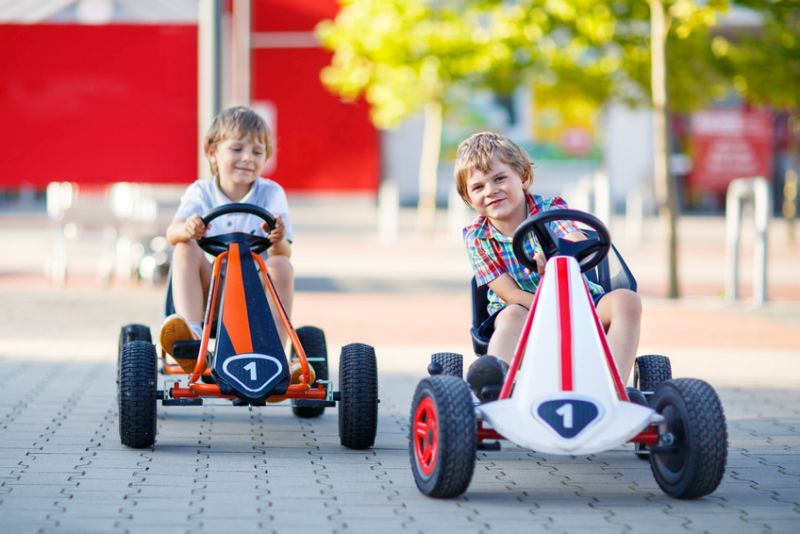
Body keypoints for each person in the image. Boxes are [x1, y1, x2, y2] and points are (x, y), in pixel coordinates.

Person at [454, 131, 641, 397]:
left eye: (499, 179)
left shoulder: (550, 209)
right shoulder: (477, 237)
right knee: (510, 314)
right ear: (468, 197)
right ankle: (495, 384)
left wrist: (563, 254)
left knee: (626, 301)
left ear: (524, 178)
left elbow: (572, 234)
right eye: (478, 187)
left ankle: (611, 392)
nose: (491, 191)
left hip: (580, 308)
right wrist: (549, 309)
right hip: (525, 317)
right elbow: (509, 294)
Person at [159, 106, 302, 378]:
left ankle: (275, 357)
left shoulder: (271, 194)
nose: (247, 158)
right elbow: (172, 232)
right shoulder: (201, 192)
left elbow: (285, 251)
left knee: (282, 265)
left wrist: (277, 239)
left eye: (257, 152)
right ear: (213, 153)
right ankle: (192, 337)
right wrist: (188, 228)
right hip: (210, 290)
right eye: (237, 149)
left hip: (254, 292)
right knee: (184, 247)